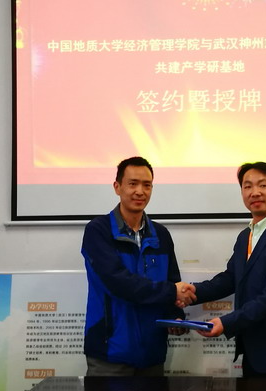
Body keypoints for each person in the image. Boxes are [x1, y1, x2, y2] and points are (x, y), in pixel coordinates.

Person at [192, 161, 266, 378]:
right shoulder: (245, 236)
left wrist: (225, 323)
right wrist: (192, 292)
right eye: (247, 186)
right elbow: (230, 278)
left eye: (263, 185)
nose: (254, 192)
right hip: (253, 354)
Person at [81, 156, 196, 376]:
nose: (140, 191)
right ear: (117, 187)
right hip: (110, 352)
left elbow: (171, 280)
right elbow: (118, 282)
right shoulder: (98, 231)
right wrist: (172, 291)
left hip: (152, 352)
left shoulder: (161, 234)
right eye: (132, 184)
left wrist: (175, 315)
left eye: (147, 185)